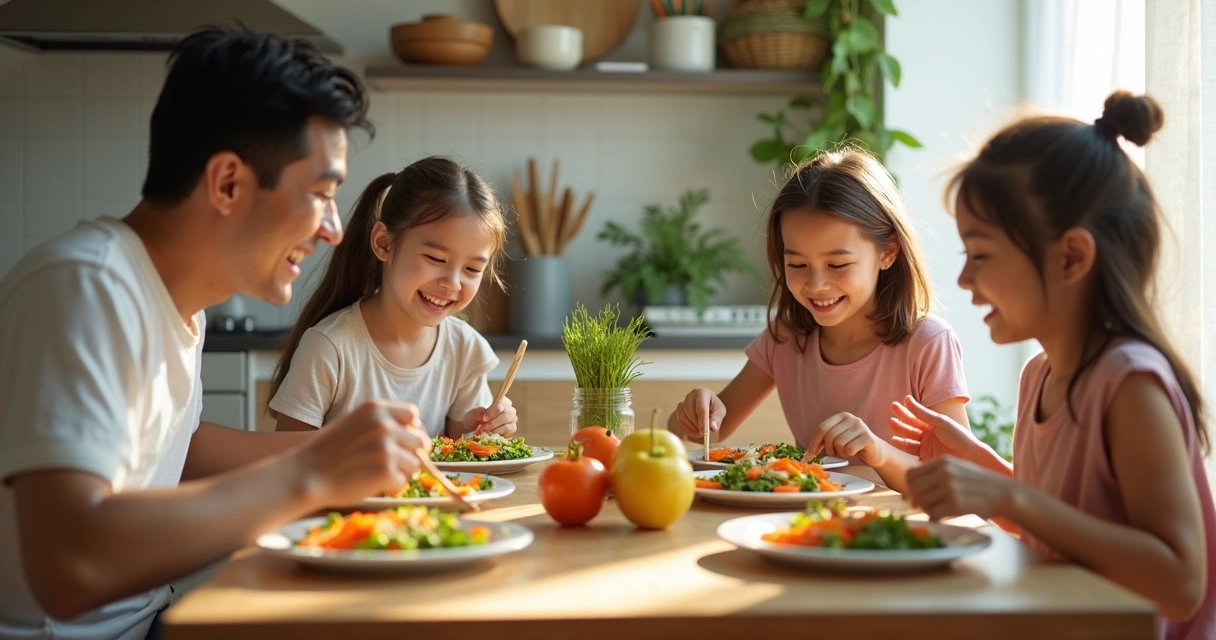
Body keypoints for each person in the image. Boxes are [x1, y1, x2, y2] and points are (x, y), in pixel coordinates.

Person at [0, 28, 430, 640]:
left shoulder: (178, 299)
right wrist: (314, 475)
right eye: (320, 193)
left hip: (148, 620)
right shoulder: (86, 286)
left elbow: (180, 450)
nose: (335, 228)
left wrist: (350, 452)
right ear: (227, 183)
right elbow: (70, 565)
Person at [895, 91, 1213, 638]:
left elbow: (1182, 581)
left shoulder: (1130, 386)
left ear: (1071, 257)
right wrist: (981, 467)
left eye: (982, 254)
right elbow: (1063, 523)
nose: (966, 280)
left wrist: (1007, 494)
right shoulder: (1039, 375)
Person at [669, 147, 970, 492]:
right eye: (797, 265)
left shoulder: (928, 343)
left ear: (887, 252)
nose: (815, 285)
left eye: (837, 265)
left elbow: (959, 479)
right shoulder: (785, 337)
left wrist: (879, 453)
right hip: (806, 524)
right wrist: (697, 414)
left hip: (897, 529)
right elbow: (703, 432)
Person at [268, 156, 515, 439]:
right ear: (383, 243)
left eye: (472, 269)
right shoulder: (329, 348)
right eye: (436, 258)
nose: (452, 284)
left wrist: (484, 430)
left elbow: (462, 460)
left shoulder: (465, 349)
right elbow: (287, 461)